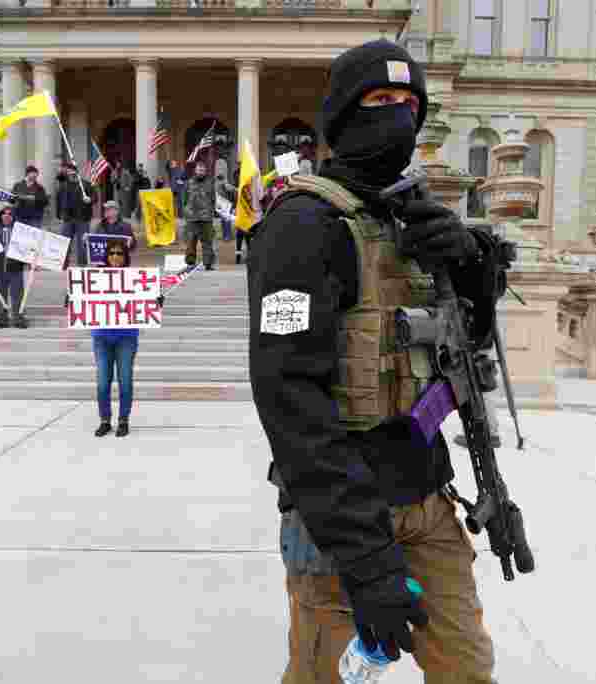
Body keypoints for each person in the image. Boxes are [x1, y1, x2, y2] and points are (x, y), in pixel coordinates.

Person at [247, 40, 499, 683]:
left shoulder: (411, 217)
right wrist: (368, 560)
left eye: (409, 104)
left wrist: (469, 268)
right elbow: (288, 398)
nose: (397, 116)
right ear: (341, 116)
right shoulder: (303, 225)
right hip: (342, 519)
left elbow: (465, 352)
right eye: (380, 100)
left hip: (427, 496)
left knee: (467, 671)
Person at [80, 240, 162, 438]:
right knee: (102, 382)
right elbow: (84, 299)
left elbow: (146, 300)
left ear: (125, 257)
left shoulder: (134, 278)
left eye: (119, 253)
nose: (115, 257)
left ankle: (123, 420)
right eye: (112, 253)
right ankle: (105, 420)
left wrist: (155, 300)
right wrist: (73, 299)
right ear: (106, 257)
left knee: (125, 380)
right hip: (101, 336)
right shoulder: (96, 277)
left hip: (126, 336)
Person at [0, 203, 28, 329]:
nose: (6, 216)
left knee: (17, 293)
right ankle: (2, 318)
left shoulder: (20, 229)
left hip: (15, 267)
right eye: (4, 213)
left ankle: (18, 318)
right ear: (0, 216)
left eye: (10, 214)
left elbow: (28, 246)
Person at [57, 163, 96, 267]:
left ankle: (82, 265)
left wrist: (90, 199)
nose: (70, 173)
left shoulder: (85, 184)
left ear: (76, 172)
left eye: (72, 171)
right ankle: (63, 264)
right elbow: (58, 200)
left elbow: (94, 197)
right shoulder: (63, 185)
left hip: (83, 218)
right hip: (67, 219)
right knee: (64, 243)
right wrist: (59, 215)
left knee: (82, 244)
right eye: (68, 171)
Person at [183, 160, 216, 270]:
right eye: (199, 170)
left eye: (203, 170)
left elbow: (213, 199)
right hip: (192, 218)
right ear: (195, 170)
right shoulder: (188, 183)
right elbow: (184, 200)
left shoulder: (210, 183)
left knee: (207, 242)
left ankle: (208, 264)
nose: (201, 172)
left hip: (206, 217)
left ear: (205, 171)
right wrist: (187, 212)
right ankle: (190, 263)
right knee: (191, 242)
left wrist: (211, 212)